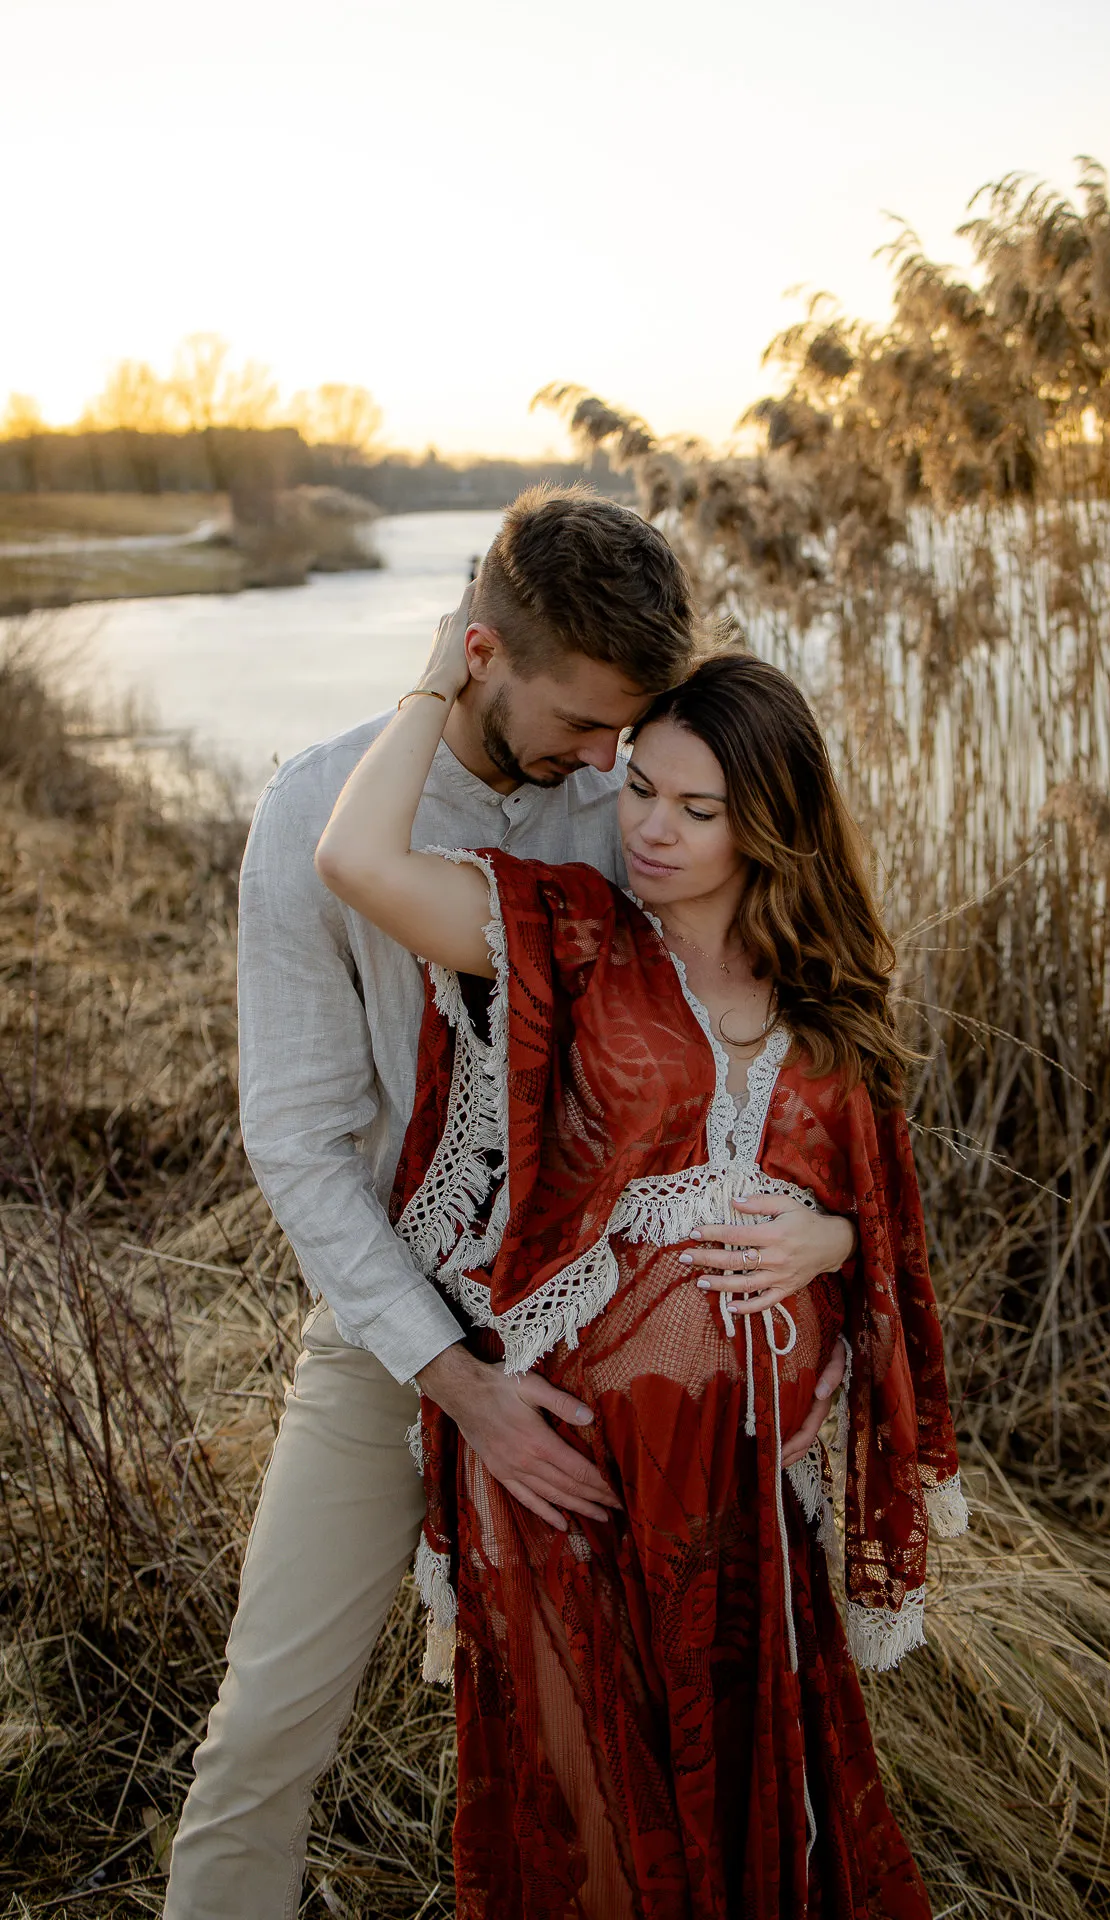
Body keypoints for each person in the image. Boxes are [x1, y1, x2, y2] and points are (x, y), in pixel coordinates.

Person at [164, 487, 848, 1920]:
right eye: (585, 725)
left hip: (612, 1359)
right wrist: (454, 1382)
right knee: (264, 1734)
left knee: (639, 1752)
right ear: (481, 651)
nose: (606, 762)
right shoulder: (319, 806)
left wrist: (826, 1227)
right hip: (392, 1338)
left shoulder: (633, 813)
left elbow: (784, 1037)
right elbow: (295, 1136)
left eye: (628, 732)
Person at [314, 611, 969, 1916]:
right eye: (640, 791)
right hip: (570, 1488)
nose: (651, 829)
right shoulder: (572, 940)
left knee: (744, 1834)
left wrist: (830, 1238)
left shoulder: (834, 1015)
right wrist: (447, 672)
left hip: (744, 1519)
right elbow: (357, 860)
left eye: (697, 808)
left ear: (768, 825)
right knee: (595, 1830)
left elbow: (888, 1230)